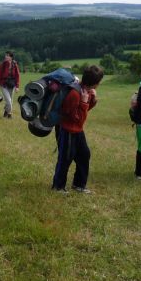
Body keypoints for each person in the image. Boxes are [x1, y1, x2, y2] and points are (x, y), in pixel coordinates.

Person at [51, 65, 104, 194]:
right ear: (95, 83)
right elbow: (77, 117)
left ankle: (79, 184)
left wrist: (92, 100)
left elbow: (83, 112)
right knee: (65, 158)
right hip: (68, 130)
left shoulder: (84, 90)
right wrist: (85, 103)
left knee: (84, 155)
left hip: (77, 130)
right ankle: (58, 186)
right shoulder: (75, 93)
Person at [0, 51, 20, 118]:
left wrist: (17, 86)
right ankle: (9, 114)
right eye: (6, 55)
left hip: (12, 84)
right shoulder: (3, 64)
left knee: (10, 100)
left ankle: (6, 111)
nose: (6, 57)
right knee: (9, 101)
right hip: (3, 84)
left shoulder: (15, 64)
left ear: (11, 57)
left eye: (8, 55)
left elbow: (17, 75)